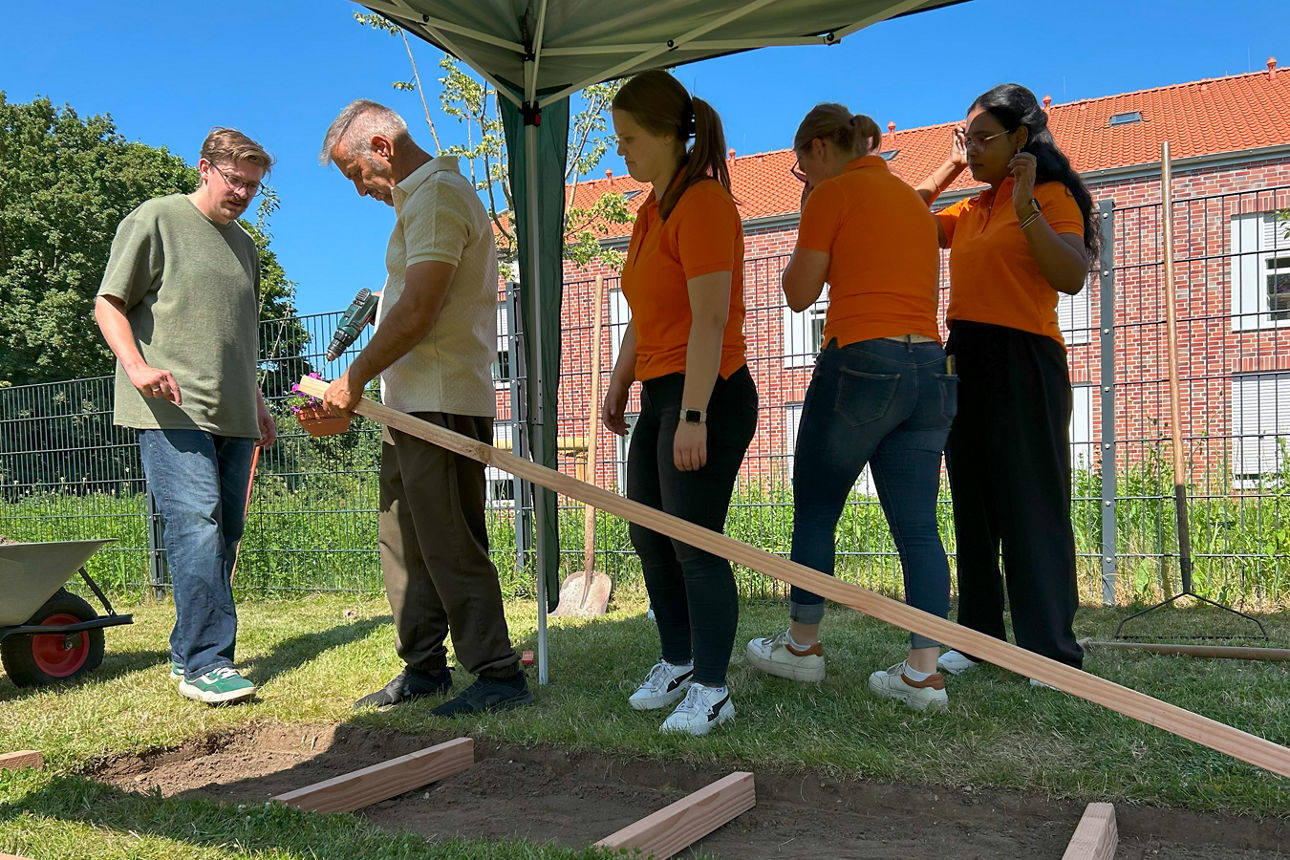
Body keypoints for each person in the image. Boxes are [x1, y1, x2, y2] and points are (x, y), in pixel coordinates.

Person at [318, 99, 532, 715]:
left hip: (440, 405)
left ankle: (497, 673)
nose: (360, 190)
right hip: (408, 406)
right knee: (404, 542)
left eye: (356, 173)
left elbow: (419, 311)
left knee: (447, 541)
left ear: (382, 147)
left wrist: (354, 377)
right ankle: (424, 668)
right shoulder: (417, 202)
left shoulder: (438, 194)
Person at [744, 105, 955, 711]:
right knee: (918, 526)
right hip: (929, 367)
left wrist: (814, 221)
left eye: (799, 166)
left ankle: (802, 647)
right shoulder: (913, 204)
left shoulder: (832, 197)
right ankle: (923, 674)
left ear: (817, 150)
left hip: (861, 362)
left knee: (815, 508)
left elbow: (798, 293)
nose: (802, 177)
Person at [916, 83, 1098, 678]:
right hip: (963, 357)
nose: (973, 150)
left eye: (983, 140)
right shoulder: (969, 208)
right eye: (966, 139)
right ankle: (978, 640)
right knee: (972, 502)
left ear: (1022, 138)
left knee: (1030, 502)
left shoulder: (1050, 196)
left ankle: (1048, 649)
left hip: (1025, 359)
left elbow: (1070, 275)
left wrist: (1026, 205)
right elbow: (909, 212)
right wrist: (948, 163)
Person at [94, 128, 277, 705]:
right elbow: (109, 303)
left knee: (226, 531)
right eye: (236, 181)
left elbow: (238, 337)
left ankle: (185, 651)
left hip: (234, 412)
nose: (244, 193)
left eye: (254, 186)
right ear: (205, 168)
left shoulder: (244, 246)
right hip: (170, 407)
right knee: (196, 524)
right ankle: (207, 663)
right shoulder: (157, 219)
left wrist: (258, 400)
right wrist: (137, 365)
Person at [603, 70, 758, 735]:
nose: (622, 151)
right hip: (662, 393)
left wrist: (693, 415)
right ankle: (679, 660)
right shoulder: (650, 211)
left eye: (630, 138)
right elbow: (645, 310)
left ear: (669, 133)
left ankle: (715, 691)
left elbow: (710, 317)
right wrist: (618, 382)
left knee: (695, 544)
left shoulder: (704, 205)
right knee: (649, 535)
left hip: (711, 394)